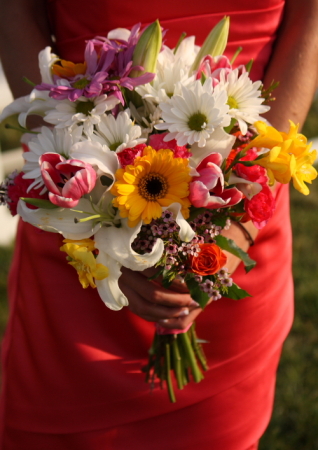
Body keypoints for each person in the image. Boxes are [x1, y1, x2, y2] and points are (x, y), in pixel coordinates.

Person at [0, 0, 318, 449]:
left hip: (238, 187)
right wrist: (94, 214)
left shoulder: (236, 213)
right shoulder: (83, 191)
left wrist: (236, 219)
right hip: (84, 182)